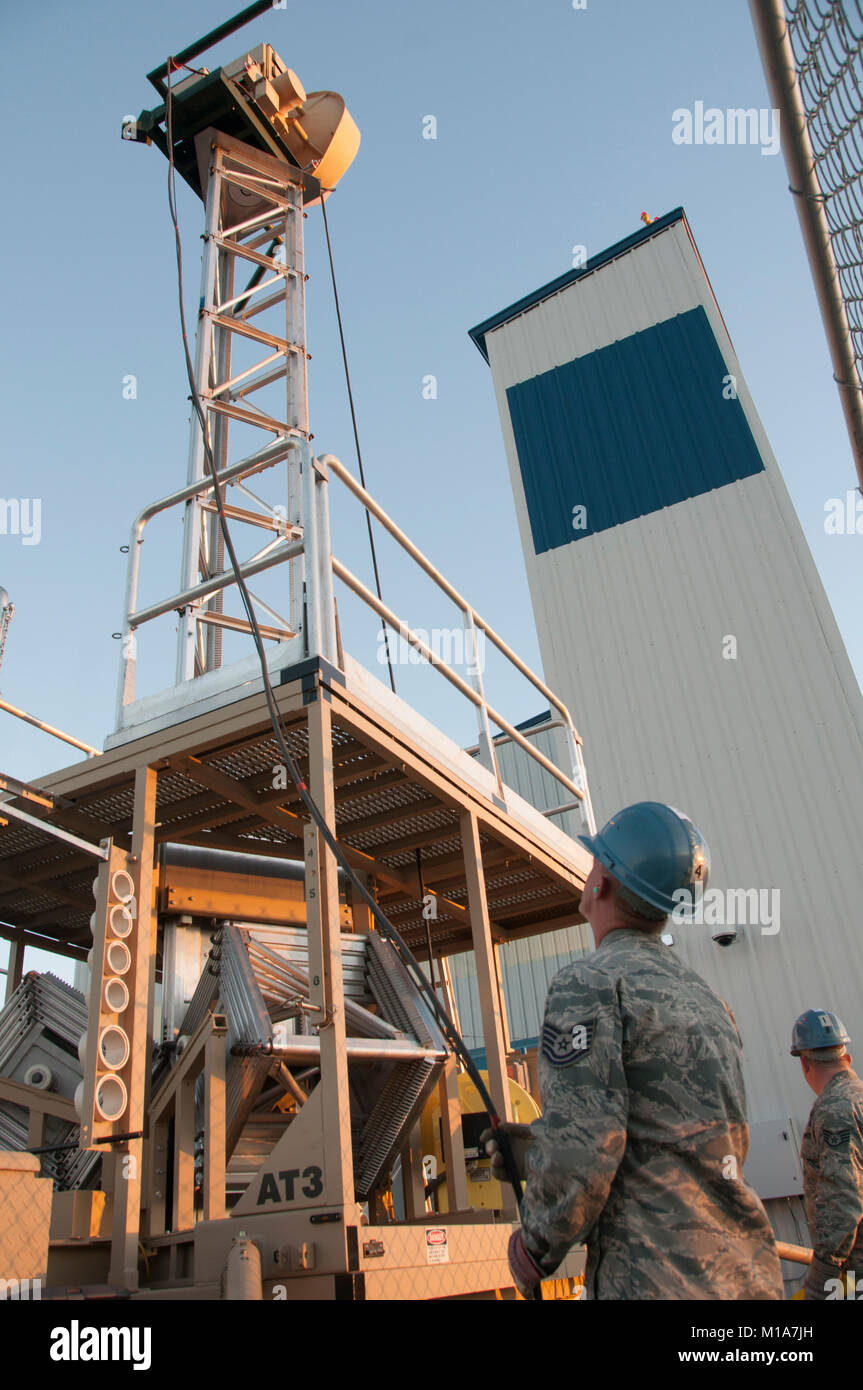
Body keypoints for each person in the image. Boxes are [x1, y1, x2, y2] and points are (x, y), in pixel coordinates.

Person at [484, 801, 783, 1300]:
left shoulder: (588, 984)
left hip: (655, 1279)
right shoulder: (709, 1000)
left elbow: (587, 1147)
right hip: (747, 1278)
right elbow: (679, 1137)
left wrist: (535, 1245)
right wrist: (538, 1152)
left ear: (601, 882)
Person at [791, 1009, 863, 1300]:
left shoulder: (836, 1110)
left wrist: (821, 1282)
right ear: (846, 1057)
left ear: (805, 1064)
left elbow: (843, 1199)